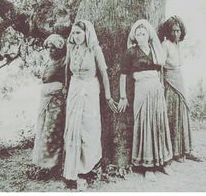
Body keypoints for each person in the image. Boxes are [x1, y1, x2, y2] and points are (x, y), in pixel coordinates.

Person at [63, 20, 117, 190]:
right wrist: (66, 88)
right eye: (74, 33)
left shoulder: (95, 49)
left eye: (79, 32)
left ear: (87, 33)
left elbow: (104, 73)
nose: (76, 36)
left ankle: (88, 169)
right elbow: (67, 71)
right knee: (73, 128)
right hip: (75, 89)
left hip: (90, 90)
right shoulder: (72, 48)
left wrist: (108, 97)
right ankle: (72, 170)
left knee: (89, 128)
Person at [118, 19, 173, 181]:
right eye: (138, 33)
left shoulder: (155, 50)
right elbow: (123, 75)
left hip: (157, 89)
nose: (141, 36)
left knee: (158, 123)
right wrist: (123, 96)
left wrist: (161, 87)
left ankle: (162, 162)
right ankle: (147, 167)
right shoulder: (131, 52)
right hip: (141, 89)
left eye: (143, 33)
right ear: (134, 36)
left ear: (149, 35)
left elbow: (160, 72)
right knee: (145, 124)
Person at [159, 15, 201, 162]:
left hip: (179, 79)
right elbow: (161, 66)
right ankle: (175, 152)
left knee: (183, 113)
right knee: (173, 114)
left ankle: (186, 149)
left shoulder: (178, 45)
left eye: (178, 31)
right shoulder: (165, 45)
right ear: (168, 31)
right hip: (170, 82)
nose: (176, 34)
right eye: (173, 31)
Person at [31, 34, 66, 179]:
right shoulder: (48, 61)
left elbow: (65, 83)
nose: (50, 50)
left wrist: (57, 90)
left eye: (53, 48)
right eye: (48, 48)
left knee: (53, 133)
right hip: (45, 100)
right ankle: (43, 165)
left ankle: (53, 166)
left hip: (56, 102)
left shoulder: (63, 62)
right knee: (43, 130)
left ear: (59, 49)